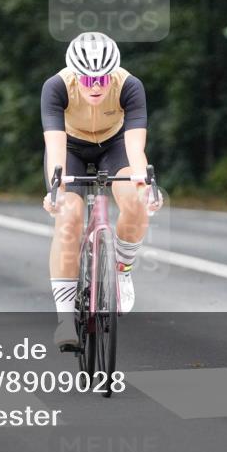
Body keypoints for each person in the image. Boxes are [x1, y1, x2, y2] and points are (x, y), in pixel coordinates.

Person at [41, 32, 162, 350]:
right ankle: (65, 319)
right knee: (69, 217)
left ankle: (122, 269)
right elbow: (55, 147)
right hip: (71, 149)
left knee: (136, 201)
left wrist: (144, 184)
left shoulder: (130, 86)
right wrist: (57, 188)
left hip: (115, 145)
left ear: (114, 73)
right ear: (75, 74)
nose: (95, 85)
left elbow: (136, 148)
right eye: (88, 78)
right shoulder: (56, 87)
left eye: (103, 78)